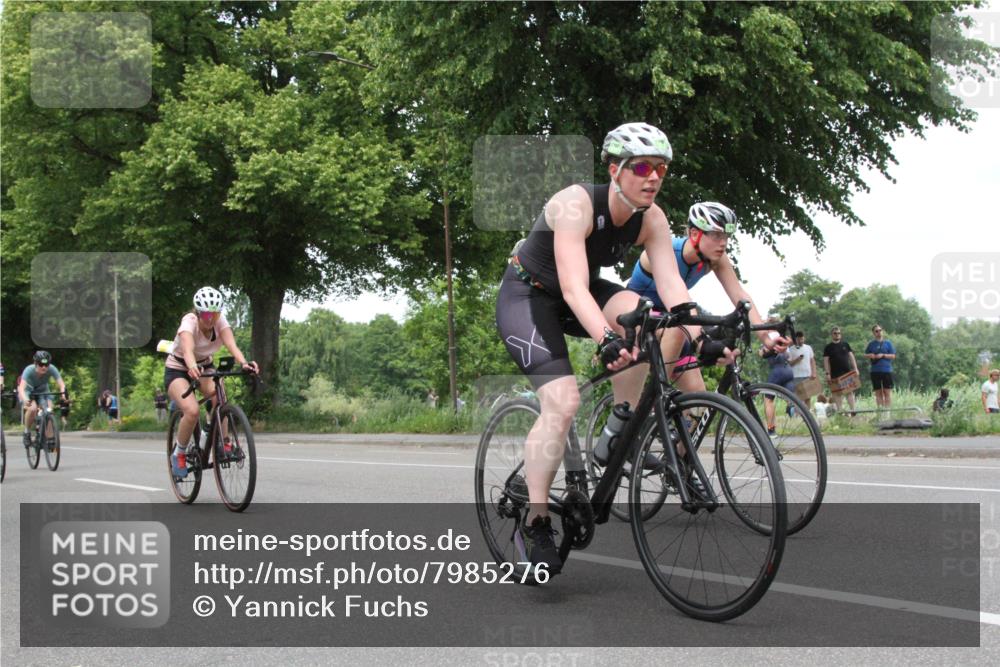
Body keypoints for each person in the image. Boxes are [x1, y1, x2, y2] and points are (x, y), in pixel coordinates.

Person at [496, 123, 742, 574]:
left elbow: (674, 293)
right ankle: (534, 520)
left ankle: (619, 425)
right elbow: (571, 287)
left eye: (661, 169)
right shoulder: (575, 203)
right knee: (564, 401)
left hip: (585, 291)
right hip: (529, 297)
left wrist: (706, 333)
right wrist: (607, 340)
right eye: (643, 167)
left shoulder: (652, 218)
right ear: (614, 170)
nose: (653, 177)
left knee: (649, 318)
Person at [627, 201, 786, 393]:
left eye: (726, 236)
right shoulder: (666, 252)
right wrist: (701, 341)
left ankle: (663, 408)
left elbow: (739, 295)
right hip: (638, 313)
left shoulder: (716, 259)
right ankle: (654, 401)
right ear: (695, 234)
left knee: (698, 406)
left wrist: (766, 337)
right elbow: (681, 300)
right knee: (678, 331)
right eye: (717, 235)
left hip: (672, 318)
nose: (723, 243)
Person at [165, 286, 258, 479]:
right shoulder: (188, 323)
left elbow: (232, 345)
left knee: (219, 395)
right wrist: (191, 366)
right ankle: (179, 454)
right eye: (206, 314)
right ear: (198, 312)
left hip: (204, 366)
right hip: (179, 369)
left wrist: (244, 363)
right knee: (191, 411)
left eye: (214, 314)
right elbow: (188, 350)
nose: (210, 319)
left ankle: (220, 440)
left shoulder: (219, 322)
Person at [18, 351, 67, 448]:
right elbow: (21, 388)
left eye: (46, 364)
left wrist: (63, 395)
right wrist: (25, 399)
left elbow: (62, 384)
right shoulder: (29, 370)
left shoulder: (52, 369)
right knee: (32, 408)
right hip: (29, 391)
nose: (44, 367)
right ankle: (27, 432)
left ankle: (49, 437)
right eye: (41, 364)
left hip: (42, 391)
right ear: (35, 364)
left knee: (49, 409)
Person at [760, 335, 796, 436]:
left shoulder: (767, 338)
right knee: (789, 397)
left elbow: (761, 354)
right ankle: (790, 404)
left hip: (777, 370)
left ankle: (771, 430)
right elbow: (789, 357)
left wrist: (764, 350)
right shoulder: (783, 338)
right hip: (788, 370)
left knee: (768, 400)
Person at [823, 326, 859, 415]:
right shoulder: (828, 347)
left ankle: (853, 411)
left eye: (839, 333)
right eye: (835, 333)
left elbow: (851, 357)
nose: (837, 335)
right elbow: (826, 361)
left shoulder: (845, 345)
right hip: (834, 374)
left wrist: (855, 368)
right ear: (832, 335)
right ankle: (840, 412)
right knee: (837, 393)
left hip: (846, 372)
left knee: (849, 392)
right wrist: (827, 373)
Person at [864, 325, 897, 409]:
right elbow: (865, 355)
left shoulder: (888, 343)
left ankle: (887, 412)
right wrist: (871, 355)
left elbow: (893, 356)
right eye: (876, 331)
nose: (879, 332)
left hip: (886, 370)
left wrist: (883, 355)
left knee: (887, 392)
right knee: (878, 393)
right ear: (873, 333)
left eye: (880, 330)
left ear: (882, 331)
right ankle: (880, 412)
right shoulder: (871, 344)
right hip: (875, 371)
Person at [787, 330, 818, 411]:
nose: (801, 341)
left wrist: (814, 372)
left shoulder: (808, 348)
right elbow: (789, 363)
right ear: (795, 339)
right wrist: (797, 359)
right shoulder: (791, 349)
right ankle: (798, 414)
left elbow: (812, 361)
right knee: (798, 397)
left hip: (807, 375)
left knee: (808, 396)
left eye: (802, 339)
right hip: (796, 376)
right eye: (799, 339)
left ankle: (808, 413)